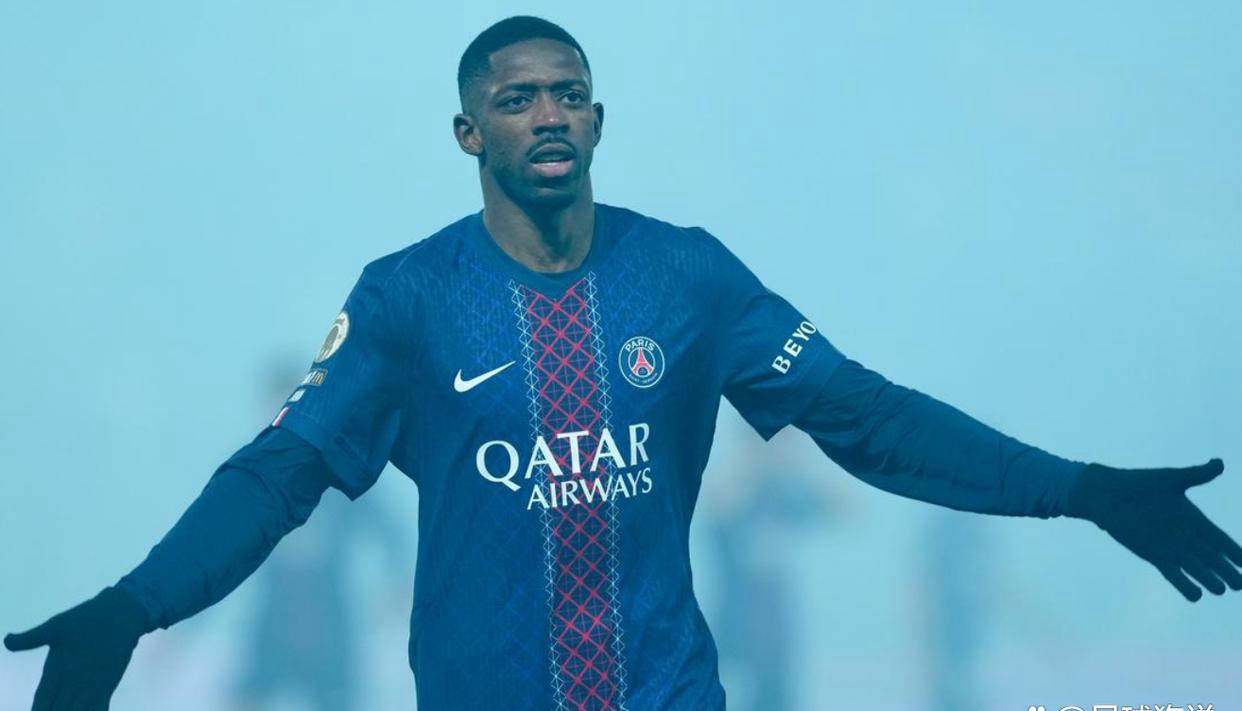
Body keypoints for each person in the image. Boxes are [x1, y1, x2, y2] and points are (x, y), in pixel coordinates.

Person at [6, 15, 1241, 711]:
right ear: (468, 130)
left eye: (570, 94)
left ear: (597, 120)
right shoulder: (408, 299)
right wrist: (133, 606)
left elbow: (865, 418)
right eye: (518, 98)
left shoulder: (686, 277)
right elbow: (279, 474)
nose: (548, 113)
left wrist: (1080, 489)